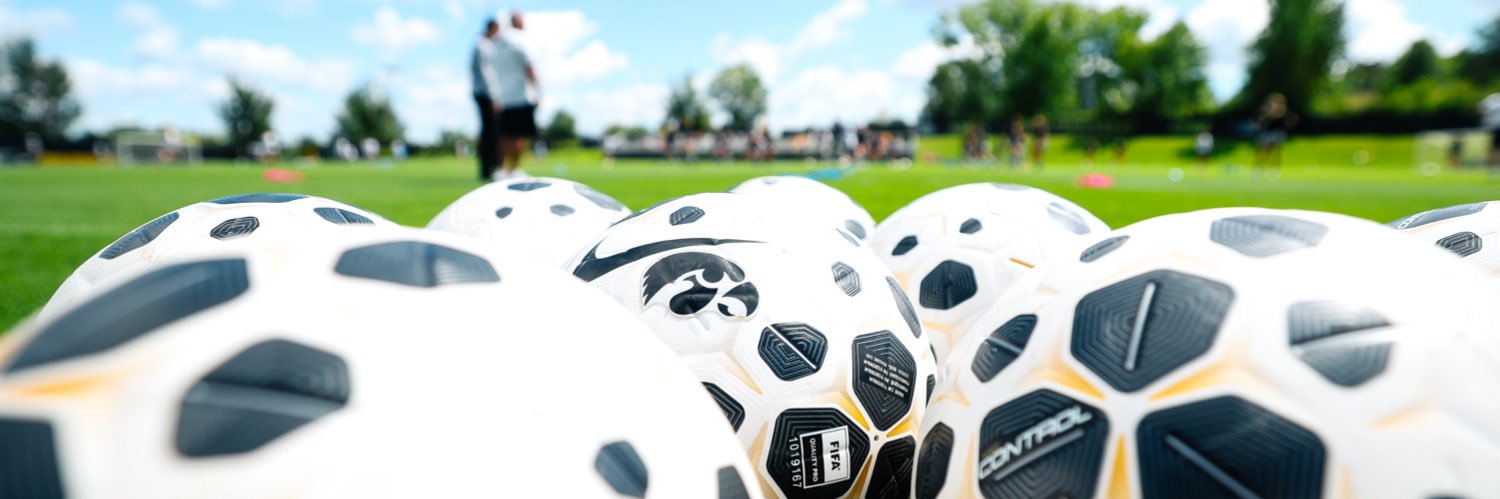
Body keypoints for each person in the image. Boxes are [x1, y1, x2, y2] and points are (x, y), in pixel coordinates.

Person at [491, 14, 539, 179]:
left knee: (505, 135)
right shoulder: (521, 39)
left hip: (502, 96)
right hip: (520, 94)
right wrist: (537, 90)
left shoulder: (498, 41)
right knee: (520, 135)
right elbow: (529, 67)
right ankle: (514, 169)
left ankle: (501, 170)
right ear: (519, 22)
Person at [470, 19, 502, 181]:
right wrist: (495, 96)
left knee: (489, 132)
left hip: (483, 93)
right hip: (486, 94)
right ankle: (489, 169)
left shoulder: (483, 44)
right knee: (491, 132)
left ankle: (489, 169)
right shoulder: (482, 45)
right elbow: (487, 73)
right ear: (491, 28)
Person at [1254, 93, 1297, 173]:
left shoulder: (1284, 110)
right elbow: (1261, 120)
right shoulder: (1265, 109)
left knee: (1276, 151)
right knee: (1263, 150)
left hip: (1277, 132)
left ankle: (1274, 169)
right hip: (1267, 132)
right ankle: (1258, 167)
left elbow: (1290, 120)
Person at [1482, 92, 1500, 174]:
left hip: (1495, 126)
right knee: (1494, 148)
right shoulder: (1492, 99)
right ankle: (1492, 167)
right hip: (1494, 127)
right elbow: (1482, 110)